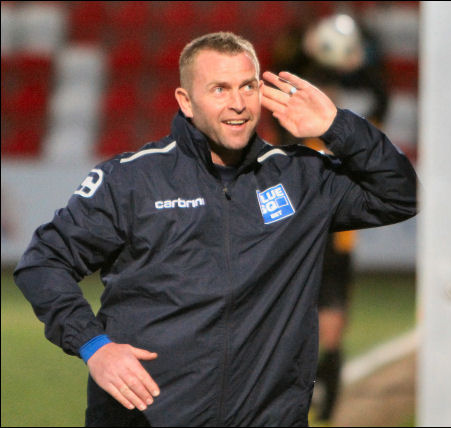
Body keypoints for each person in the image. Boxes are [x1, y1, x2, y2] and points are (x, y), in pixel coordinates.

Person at [14, 32, 418, 427]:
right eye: (220, 89)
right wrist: (94, 346)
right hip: (146, 418)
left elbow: (400, 195)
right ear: (186, 102)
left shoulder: (299, 177)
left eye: (247, 86)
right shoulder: (133, 180)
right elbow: (43, 262)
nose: (238, 104)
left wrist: (335, 125)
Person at [271, 16, 391, 423]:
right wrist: (346, 63)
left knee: (316, 298)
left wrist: (320, 57)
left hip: (316, 220)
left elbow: (381, 100)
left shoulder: (317, 126)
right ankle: (327, 373)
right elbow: (381, 98)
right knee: (328, 297)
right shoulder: (338, 125)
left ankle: (323, 375)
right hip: (320, 219)